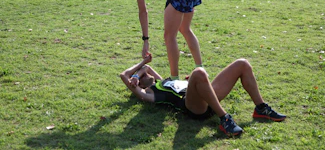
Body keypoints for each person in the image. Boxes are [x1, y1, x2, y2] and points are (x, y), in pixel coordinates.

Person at [119, 54, 287, 137]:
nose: (145, 75)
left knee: (242, 64)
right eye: (141, 77)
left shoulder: (160, 81)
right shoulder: (149, 93)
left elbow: (148, 69)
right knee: (198, 72)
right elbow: (123, 75)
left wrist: (140, 71)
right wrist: (136, 72)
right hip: (193, 107)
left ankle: (261, 108)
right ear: (139, 84)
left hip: (206, 96)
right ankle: (225, 119)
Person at [111, 0, 203, 80]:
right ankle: (200, 69)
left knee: (169, 36)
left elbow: (143, 11)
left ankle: (174, 79)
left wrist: (145, 41)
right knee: (184, 29)